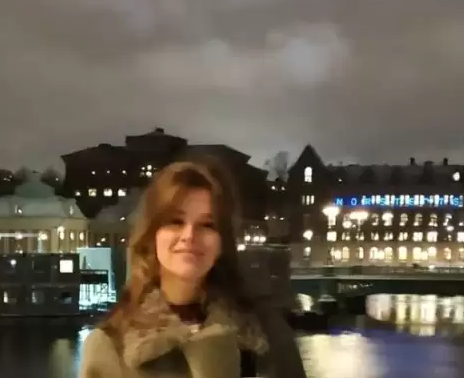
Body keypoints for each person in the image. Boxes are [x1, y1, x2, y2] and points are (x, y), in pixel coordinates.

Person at [79, 157, 307, 378]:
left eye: (207, 224)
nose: (189, 235)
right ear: (152, 235)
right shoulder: (110, 348)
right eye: (175, 222)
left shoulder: (266, 336)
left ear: (222, 242)